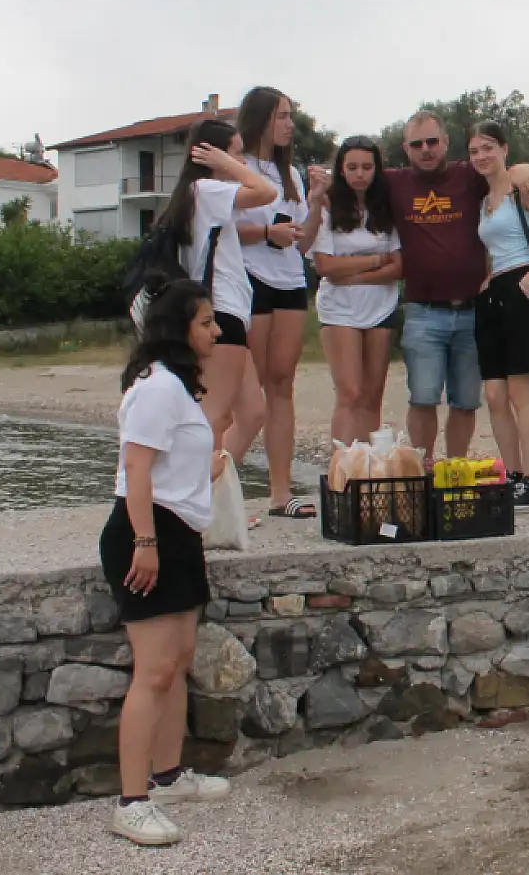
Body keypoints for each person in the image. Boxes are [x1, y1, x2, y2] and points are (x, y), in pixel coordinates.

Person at [100, 279, 233, 846]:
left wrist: (211, 472)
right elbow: (136, 473)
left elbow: (172, 471)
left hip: (178, 531)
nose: (216, 331)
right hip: (148, 532)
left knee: (177, 660)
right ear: (182, 328)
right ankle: (132, 802)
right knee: (152, 670)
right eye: (207, 322)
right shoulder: (156, 388)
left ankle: (168, 774)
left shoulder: (176, 388)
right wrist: (145, 544)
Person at [375, 111, 529, 464]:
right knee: (422, 397)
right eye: (417, 144)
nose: (426, 150)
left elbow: (503, 170)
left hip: (473, 309)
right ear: (405, 148)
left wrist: (527, 169)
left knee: (465, 401)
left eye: (432, 142)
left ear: (446, 143)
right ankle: (421, 471)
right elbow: (352, 181)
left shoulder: (468, 176)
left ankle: (453, 472)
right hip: (423, 311)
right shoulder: (394, 182)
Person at [151, 119, 277, 458]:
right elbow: (266, 192)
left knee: (252, 414)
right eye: (237, 154)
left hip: (230, 311)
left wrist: (228, 163)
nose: (242, 163)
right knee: (215, 415)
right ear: (214, 155)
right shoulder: (205, 189)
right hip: (220, 311)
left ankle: (213, 490)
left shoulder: (202, 194)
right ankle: (195, 495)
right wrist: (227, 165)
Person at [229, 86, 323, 519]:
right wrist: (267, 233)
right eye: (283, 116)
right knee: (251, 391)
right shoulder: (236, 166)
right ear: (262, 118)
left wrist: (317, 201)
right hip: (250, 277)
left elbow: (303, 239)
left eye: (290, 116)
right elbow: (222, 228)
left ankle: (281, 493)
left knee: (283, 385)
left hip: (288, 279)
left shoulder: (292, 173)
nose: (290, 124)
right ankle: (216, 492)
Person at [468, 122, 529, 508]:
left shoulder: (521, 186)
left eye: (488, 148)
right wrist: (489, 279)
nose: (481, 157)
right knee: (494, 393)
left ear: (504, 149)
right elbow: (495, 246)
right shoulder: (483, 200)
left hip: (524, 286)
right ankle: (513, 475)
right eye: (474, 150)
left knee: (521, 391)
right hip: (494, 293)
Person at [309, 137, 403, 445]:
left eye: (366, 167)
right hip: (340, 310)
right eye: (352, 167)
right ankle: (343, 471)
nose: (359, 174)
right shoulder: (328, 207)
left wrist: (353, 272)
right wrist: (376, 259)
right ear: (341, 169)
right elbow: (325, 266)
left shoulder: (386, 209)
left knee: (372, 395)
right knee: (350, 392)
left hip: (381, 306)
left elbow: (398, 267)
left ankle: (367, 472)